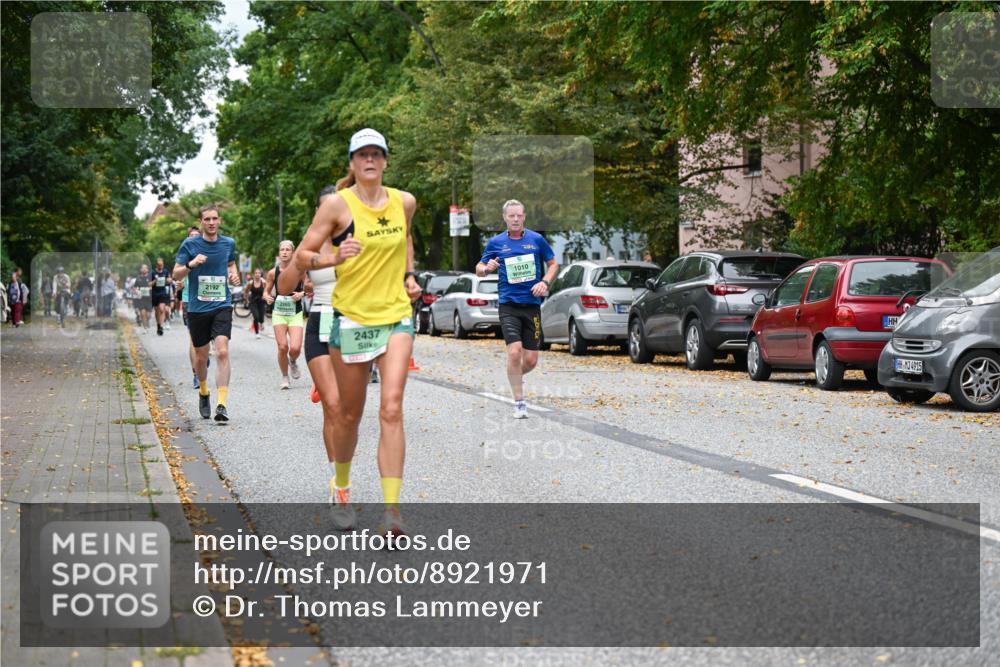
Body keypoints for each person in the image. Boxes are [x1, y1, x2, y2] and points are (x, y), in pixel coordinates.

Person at [295, 128, 421, 534]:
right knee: (348, 416)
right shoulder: (337, 205)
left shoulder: (404, 202)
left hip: (395, 316)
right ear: (352, 162)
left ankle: (392, 512)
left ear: (385, 161)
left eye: (376, 154)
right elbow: (303, 255)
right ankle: (342, 486)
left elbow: (406, 239)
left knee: (392, 407)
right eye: (362, 154)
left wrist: (409, 276)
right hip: (350, 318)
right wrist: (334, 257)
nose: (370, 160)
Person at [282, 185, 346, 519]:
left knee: (346, 412)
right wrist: (300, 258)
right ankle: (339, 483)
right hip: (320, 321)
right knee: (333, 407)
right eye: (326, 207)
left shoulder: (360, 239)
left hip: (353, 326)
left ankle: (325, 384)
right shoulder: (311, 243)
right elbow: (284, 286)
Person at [476, 199, 558, 419]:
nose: (515, 219)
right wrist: (487, 268)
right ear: (505, 218)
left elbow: (553, 264)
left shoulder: (536, 239)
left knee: (530, 361)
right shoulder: (496, 242)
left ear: (524, 217)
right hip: (508, 306)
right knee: (514, 352)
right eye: (511, 216)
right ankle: (519, 403)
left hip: (532, 306)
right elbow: (479, 268)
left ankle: (513, 376)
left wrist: (545, 282)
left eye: (519, 215)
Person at [173, 204, 240, 422]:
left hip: (222, 305)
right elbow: (176, 274)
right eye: (207, 219)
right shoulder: (190, 244)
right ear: (201, 222)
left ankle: (222, 404)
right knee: (201, 358)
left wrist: (234, 276)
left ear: (219, 220)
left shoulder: (228, 243)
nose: (211, 223)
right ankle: (203, 391)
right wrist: (191, 264)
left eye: (214, 219)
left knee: (222, 351)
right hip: (197, 308)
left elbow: (231, 264)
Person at [264, 240, 306, 389]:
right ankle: (284, 376)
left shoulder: (300, 270)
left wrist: (301, 294)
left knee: (295, 348)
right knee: (282, 347)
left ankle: (292, 361)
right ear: (279, 252)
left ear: (292, 253)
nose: (284, 252)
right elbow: (266, 291)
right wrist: (267, 297)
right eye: (282, 249)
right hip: (279, 313)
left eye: (288, 249)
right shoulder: (272, 273)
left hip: (295, 312)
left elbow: (309, 287)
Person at [150, 257, 173, 335]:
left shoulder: (165, 271)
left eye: (162, 265)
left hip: (163, 293)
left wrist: (169, 280)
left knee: (162, 309)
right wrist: (155, 281)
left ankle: (161, 326)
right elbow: (149, 284)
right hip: (154, 294)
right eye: (159, 265)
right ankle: (158, 325)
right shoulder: (152, 273)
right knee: (157, 311)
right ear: (156, 265)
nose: (161, 266)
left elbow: (170, 280)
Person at [246, 268, 266, 339]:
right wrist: (247, 300)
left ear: (261, 274)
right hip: (253, 302)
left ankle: (261, 323)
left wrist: (265, 296)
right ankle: (257, 333)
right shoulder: (250, 283)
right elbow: (246, 292)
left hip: (261, 302)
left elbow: (267, 290)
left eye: (259, 273)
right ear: (254, 274)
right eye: (256, 273)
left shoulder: (264, 282)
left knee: (261, 317)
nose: (257, 274)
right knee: (256, 317)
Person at [134, 264, 153, 332]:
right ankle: (145, 328)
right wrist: (137, 291)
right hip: (141, 299)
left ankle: (147, 322)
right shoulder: (138, 278)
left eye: (145, 268)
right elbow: (135, 287)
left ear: (147, 270)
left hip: (149, 299)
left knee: (148, 315)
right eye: (143, 268)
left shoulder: (150, 277)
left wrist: (152, 288)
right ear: (140, 270)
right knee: (142, 313)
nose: (144, 269)